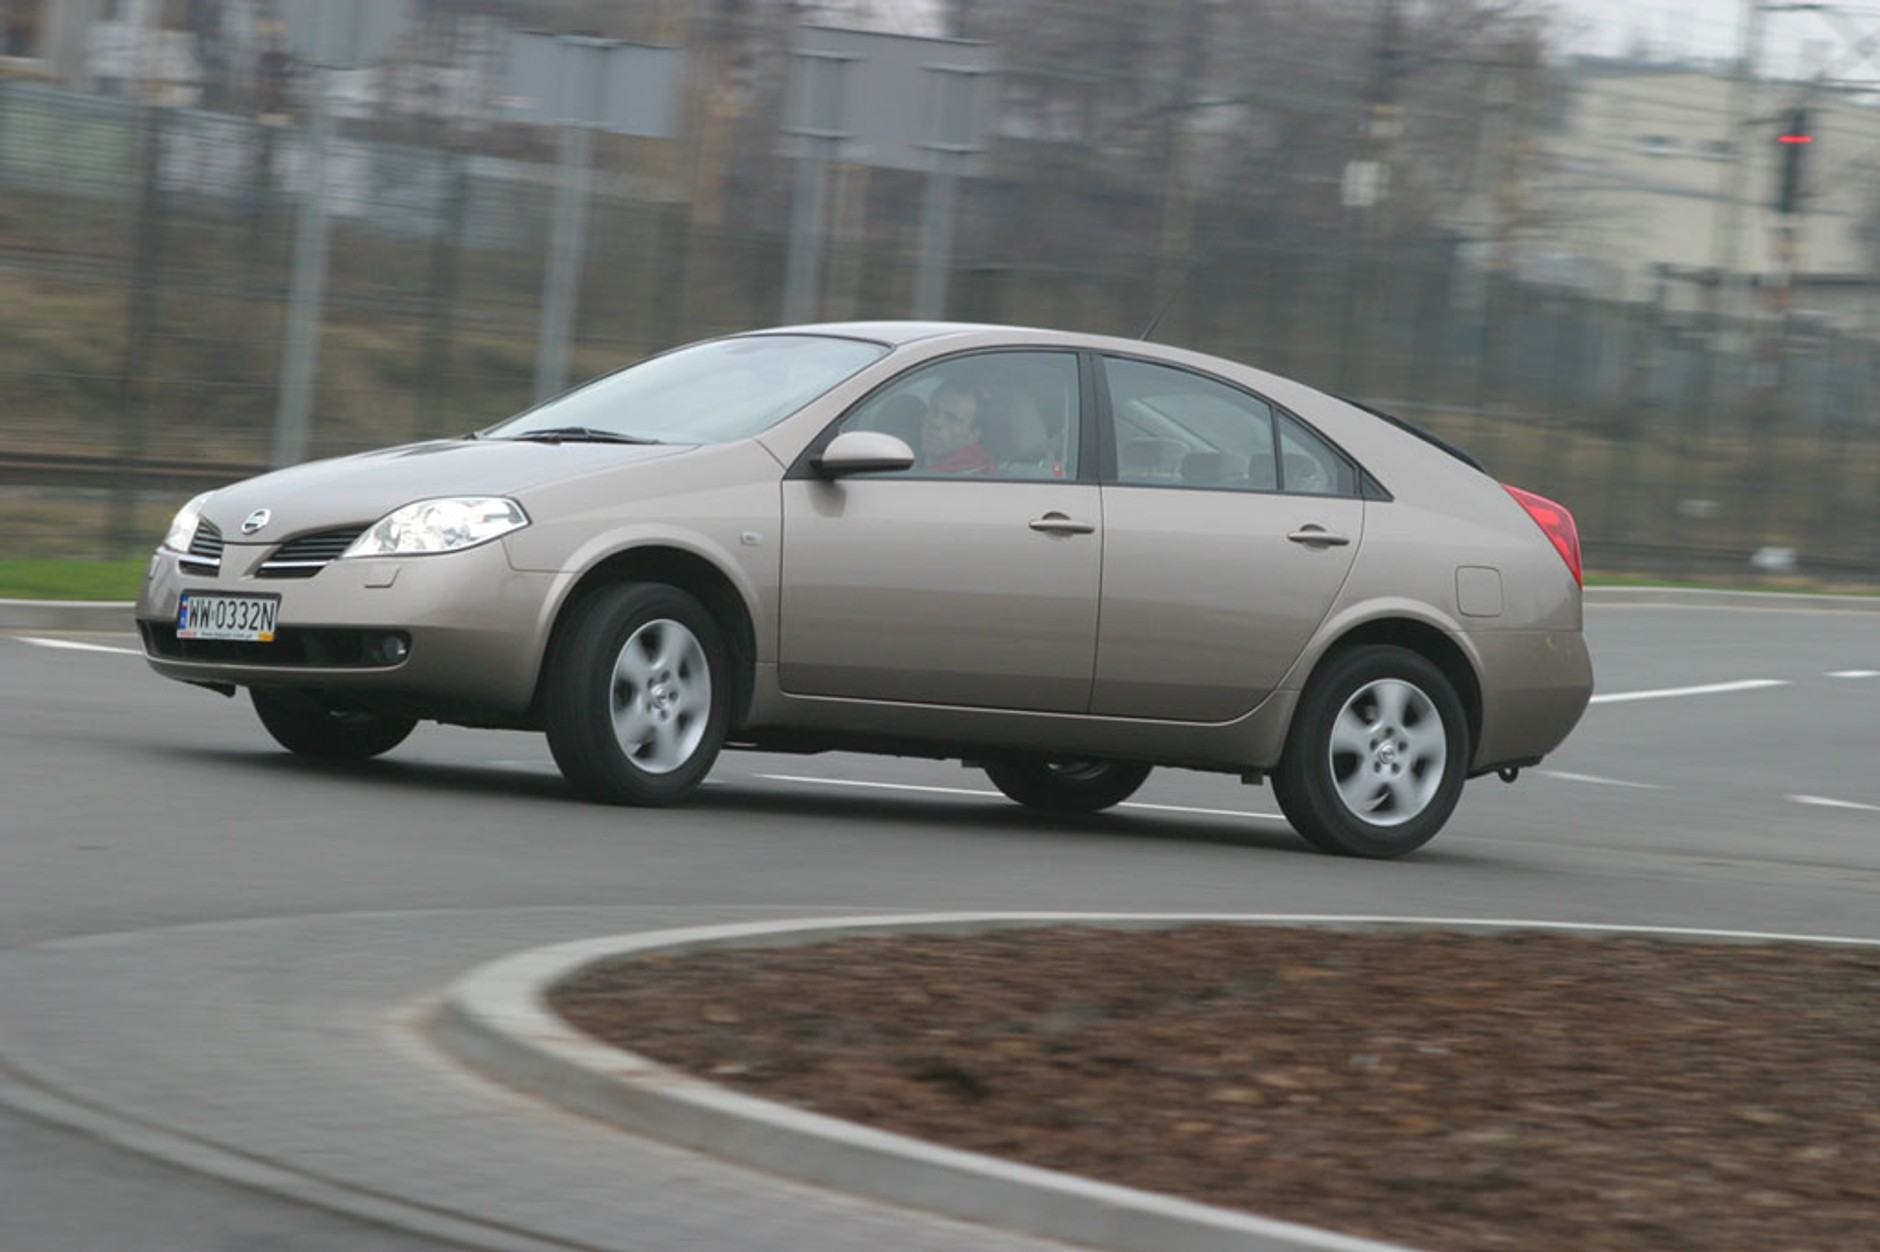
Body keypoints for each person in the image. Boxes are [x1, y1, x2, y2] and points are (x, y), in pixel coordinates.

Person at [918, 383, 995, 474]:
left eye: (952, 419)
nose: (936, 423)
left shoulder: (973, 476)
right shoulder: (916, 459)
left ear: (973, 435)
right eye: (934, 411)